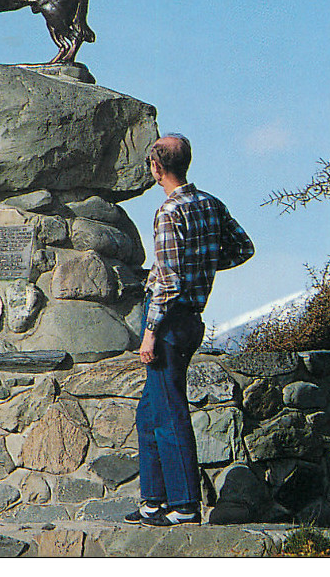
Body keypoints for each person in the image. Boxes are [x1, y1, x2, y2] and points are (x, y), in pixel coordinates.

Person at [127, 134, 254, 527]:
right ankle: (153, 501)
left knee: (168, 412)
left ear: (156, 168)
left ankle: (183, 505)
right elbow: (244, 249)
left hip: (167, 320)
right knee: (149, 411)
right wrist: (205, 267)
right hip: (192, 316)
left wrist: (149, 333)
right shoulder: (210, 204)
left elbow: (165, 281)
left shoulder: (169, 212)